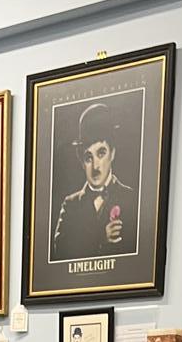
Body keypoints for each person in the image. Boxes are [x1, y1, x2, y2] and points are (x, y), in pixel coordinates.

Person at [51, 102, 138, 261]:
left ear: (112, 153)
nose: (96, 166)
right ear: (81, 162)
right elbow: (61, 250)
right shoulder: (70, 204)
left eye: (101, 153)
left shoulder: (131, 198)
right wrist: (100, 236)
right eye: (88, 157)